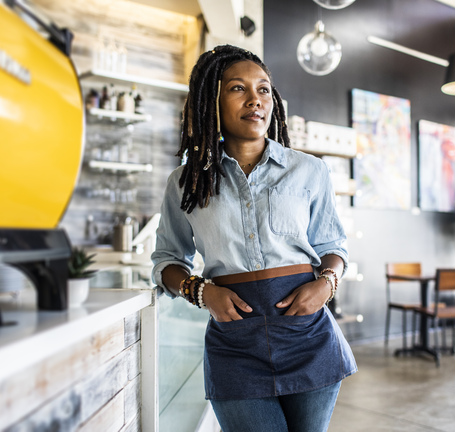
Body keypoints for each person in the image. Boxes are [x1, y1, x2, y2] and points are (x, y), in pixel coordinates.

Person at [151, 44, 356, 432]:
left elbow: (333, 246)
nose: (255, 100)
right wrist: (200, 291)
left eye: (263, 89)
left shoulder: (309, 171)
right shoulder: (185, 182)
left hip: (308, 336)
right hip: (234, 346)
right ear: (211, 100)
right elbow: (166, 260)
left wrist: (326, 285)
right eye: (237, 89)